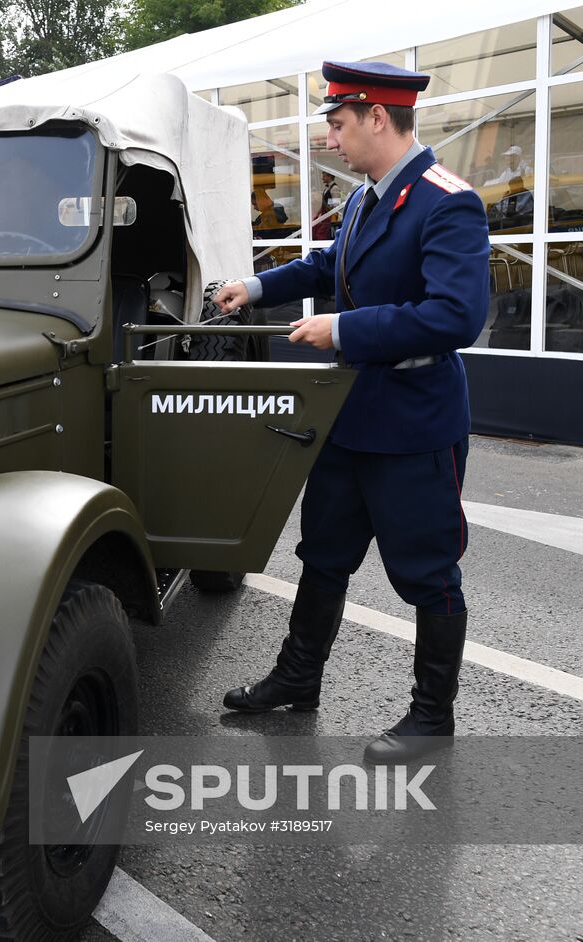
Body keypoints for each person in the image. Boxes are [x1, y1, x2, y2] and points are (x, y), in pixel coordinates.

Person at [212, 60, 490, 765]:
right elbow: (329, 264)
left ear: (377, 117)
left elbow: (457, 315)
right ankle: (298, 679)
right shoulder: (370, 198)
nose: (330, 138)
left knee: (429, 574)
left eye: (337, 123)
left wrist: (345, 329)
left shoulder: (446, 201)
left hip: (414, 424)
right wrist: (254, 284)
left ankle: (433, 716)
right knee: (323, 556)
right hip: (351, 413)